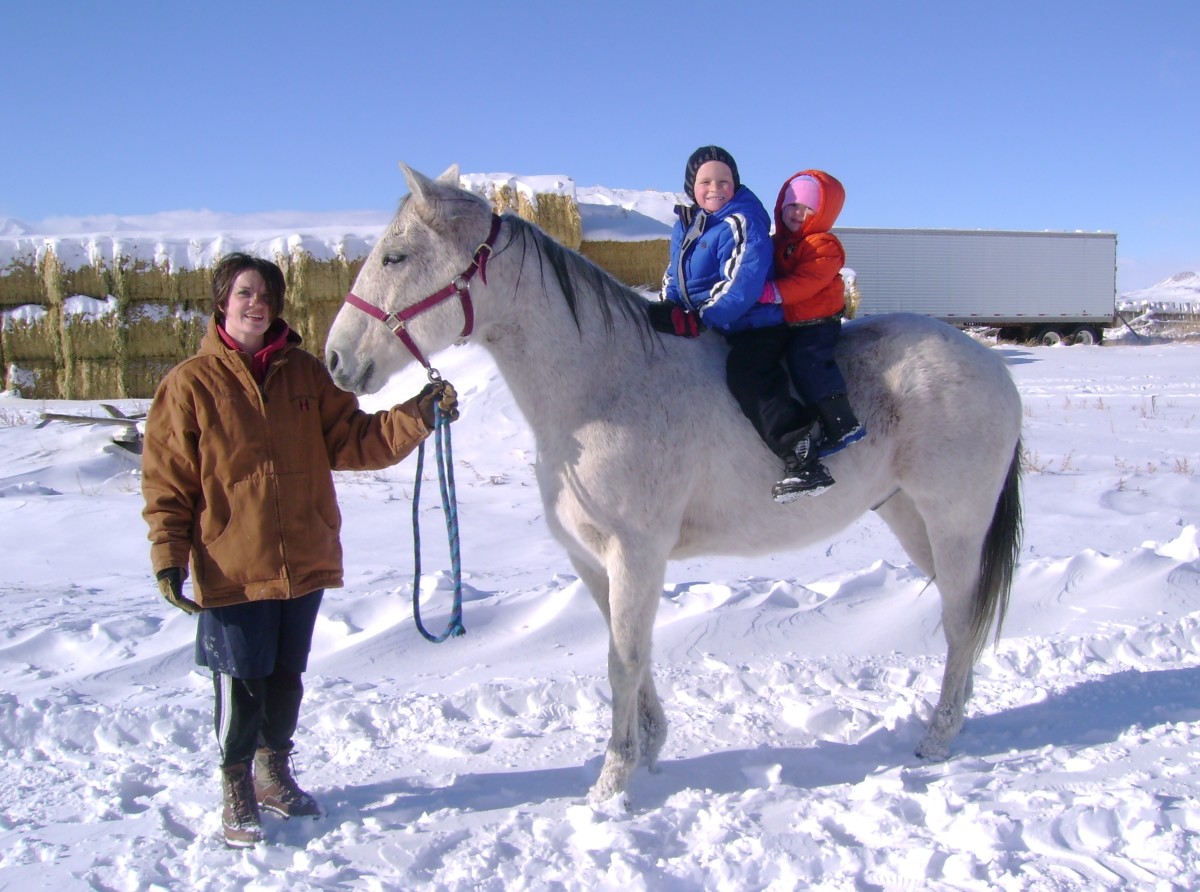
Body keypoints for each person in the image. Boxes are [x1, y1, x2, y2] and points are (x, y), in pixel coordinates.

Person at [141, 252, 458, 848]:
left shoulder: (306, 375)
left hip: (303, 555)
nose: (256, 303)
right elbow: (167, 480)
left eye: (265, 294)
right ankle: (236, 780)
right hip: (231, 560)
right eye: (244, 293)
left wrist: (416, 416)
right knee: (241, 679)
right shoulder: (188, 384)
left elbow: (355, 440)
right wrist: (168, 554)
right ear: (222, 302)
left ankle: (273, 771)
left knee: (286, 677)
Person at [653, 145, 835, 502]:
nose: (715, 188)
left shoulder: (744, 220)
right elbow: (674, 274)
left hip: (754, 326)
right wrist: (668, 307)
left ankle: (801, 454)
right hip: (716, 324)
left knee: (749, 376)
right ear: (692, 186)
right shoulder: (688, 223)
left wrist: (702, 318)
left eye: (724, 181)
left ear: (735, 184)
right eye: (706, 181)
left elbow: (743, 283)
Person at [767, 170, 864, 467]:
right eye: (792, 205)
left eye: (808, 207)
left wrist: (774, 292)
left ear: (823, 212)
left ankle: (841, 421)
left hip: (817, 322)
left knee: (806, 361)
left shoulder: (823, 245)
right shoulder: (777, 242)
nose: (798, 213)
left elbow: (808, 282)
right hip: (789, 321)